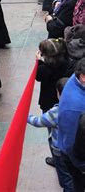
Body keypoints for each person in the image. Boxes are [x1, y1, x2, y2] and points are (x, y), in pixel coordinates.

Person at [27, 78, 74, 188]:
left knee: (66, 180)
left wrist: (25, 116)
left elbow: (38, 121)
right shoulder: (79, 104)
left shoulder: (57, 112)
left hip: (60, 150)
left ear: (59, 94)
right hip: (75, 148)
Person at [57, 58, 85, 189]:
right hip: (76, 159)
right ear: (84, 77)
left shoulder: (75, 77)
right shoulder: (75, 107)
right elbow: (70, 144)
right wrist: (81, 167)